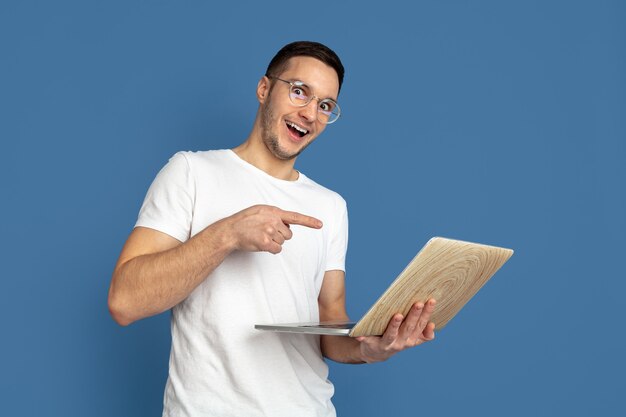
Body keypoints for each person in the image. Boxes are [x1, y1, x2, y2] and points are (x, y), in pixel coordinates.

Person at [108, 40, 437, 417]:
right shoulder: (190, 172)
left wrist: (370, 348)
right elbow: (124, 302)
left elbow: (329, 324)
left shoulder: (330, 206)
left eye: (325, 106)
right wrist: (228, 234)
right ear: (264, 89)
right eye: (299, 92)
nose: (310, 113)